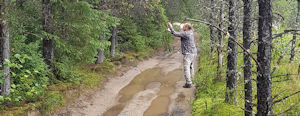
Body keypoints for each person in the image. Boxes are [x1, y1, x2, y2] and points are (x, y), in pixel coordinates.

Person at [167, 22, 197, 88]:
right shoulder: (190, 32)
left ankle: (188, 83)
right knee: (191, 67)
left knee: (187, 68)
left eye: (184, 26)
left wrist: (171, 27)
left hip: (188, 53)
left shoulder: (186, 33)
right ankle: (193, 80)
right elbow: (178, 33)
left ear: (187, 27)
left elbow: (176, 33)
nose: (183, 27)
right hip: (193, 52)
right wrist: (171, 31)